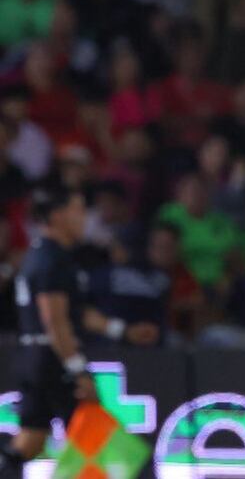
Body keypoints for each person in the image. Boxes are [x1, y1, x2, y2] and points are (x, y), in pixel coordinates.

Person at [0, 186, 155, 475]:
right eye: (79, 209)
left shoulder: (43, 255)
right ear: (58, 216)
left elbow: (76, 314)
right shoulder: (52, 260)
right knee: (111, 447)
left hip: (34, 356)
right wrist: (77, 370)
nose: (85, 217)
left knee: (30, 442)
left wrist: (122, 331)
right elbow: (55, 321)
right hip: (52, 359)